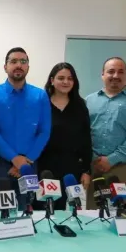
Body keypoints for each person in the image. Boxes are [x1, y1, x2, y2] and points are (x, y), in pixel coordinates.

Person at [0, 47, 51, 211]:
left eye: (23, 61)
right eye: (13, 61)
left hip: (29, 165)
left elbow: (44, 131)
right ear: (5, 67)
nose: (18, 65)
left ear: (28, 67)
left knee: (25, 212)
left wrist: (26, 160)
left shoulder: (40, 96)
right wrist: (15, 159)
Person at [85, 57, 126, 209]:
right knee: (94, 211)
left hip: (122, 164)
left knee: (120, 210)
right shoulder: (89, 100)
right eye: (111, 71)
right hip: (94, 164)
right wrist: (93, 157)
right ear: (102, 74)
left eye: (121, 72)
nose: (115, 75)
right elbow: (82, 133)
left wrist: (112, 159)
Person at [35, 63, 92, 211]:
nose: (66, 82)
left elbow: (86, 140)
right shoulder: (40, 103)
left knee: (61, 211)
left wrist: (86, 171)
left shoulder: (80, 106)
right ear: (52, 80)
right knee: (41, 209)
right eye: (61, 78)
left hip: (70, 168)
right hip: (43, 167)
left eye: (70, 78)